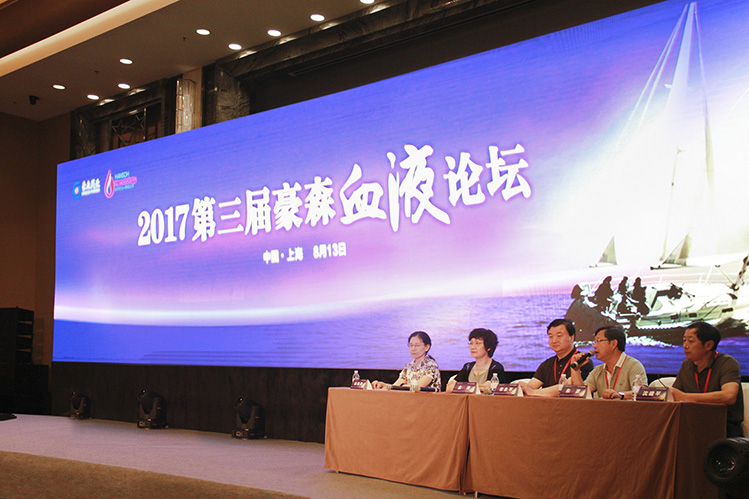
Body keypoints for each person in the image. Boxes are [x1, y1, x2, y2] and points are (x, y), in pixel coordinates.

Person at [670, 321, 744, 437]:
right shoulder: (687, 365)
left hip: (724, 429)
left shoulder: (727, 363)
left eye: (691, 341)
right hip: (694, 427)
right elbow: (674, 395)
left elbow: (729, 396)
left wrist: (686, 397)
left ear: (708, 345)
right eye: (684, 340)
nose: (685, 345)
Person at [521, 319, 594, 396]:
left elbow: (570, 387)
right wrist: (522, 388)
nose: (554, 340)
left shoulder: (582, 361)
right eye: (551, 337)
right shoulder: (547, 364)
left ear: (572, 338)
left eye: (559, 336)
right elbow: (530, 387)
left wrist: (533, 392)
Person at [570, 325, 646, 399]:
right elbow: (581, 394)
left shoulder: (633, 365)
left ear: (613, 344)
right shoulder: (598, 370)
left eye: (598, 341)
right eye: (594, 342)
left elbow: (642, 393)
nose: (594, 346)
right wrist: (575, 370)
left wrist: (620, 395)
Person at [372, 331, 441, 391]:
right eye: (411, 345)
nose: (413, 348)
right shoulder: (409, 366)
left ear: (427, 347)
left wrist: (403, 387)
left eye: (417, 345)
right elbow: (395, 386)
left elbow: (418, 387)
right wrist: (383, 385)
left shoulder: (431, 365)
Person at [446, 328, 505, 393]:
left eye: (477, 343)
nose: (472, 347)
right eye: (471, 343)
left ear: (489, 347)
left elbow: (488, 389)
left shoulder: (496, 367)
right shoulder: (468, 367)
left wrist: (462, 387)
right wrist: (479, 387)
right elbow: (450, 388)